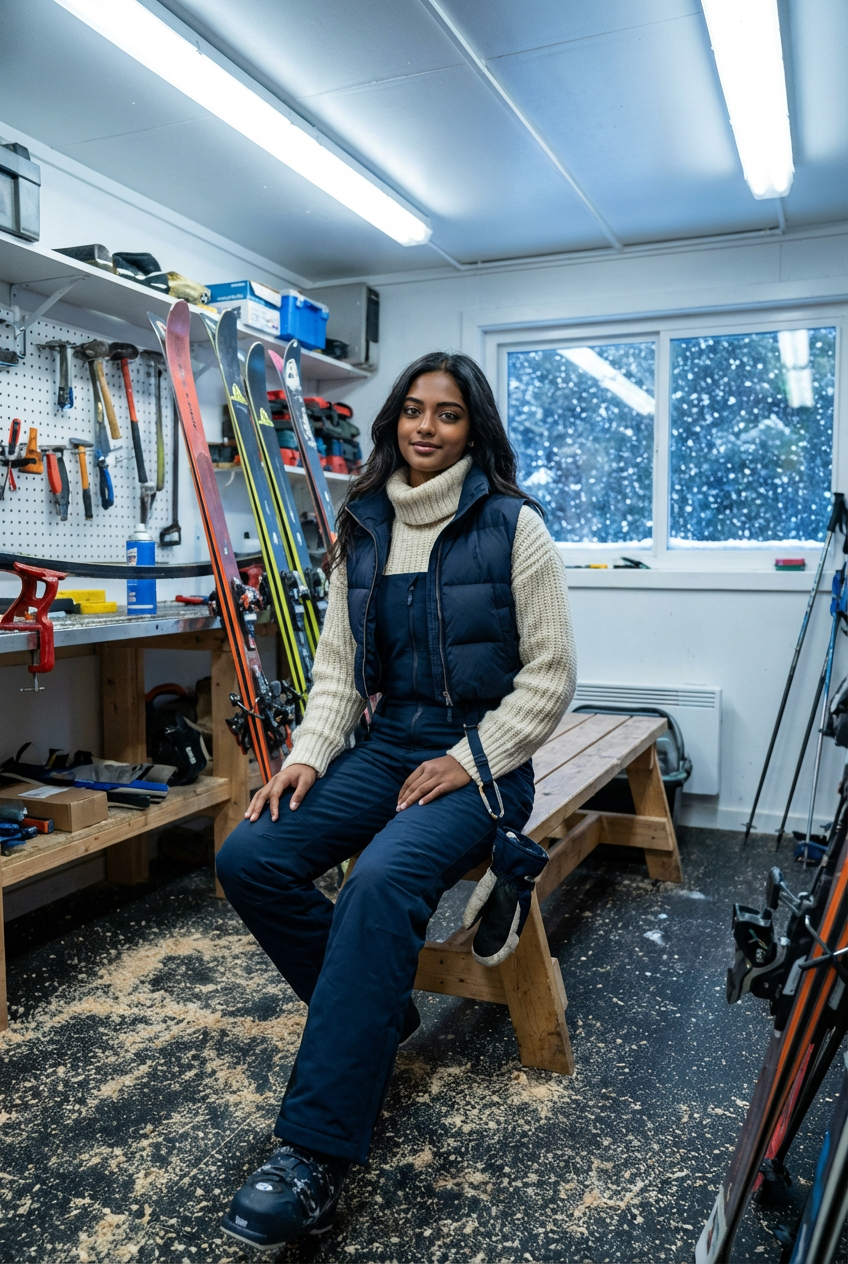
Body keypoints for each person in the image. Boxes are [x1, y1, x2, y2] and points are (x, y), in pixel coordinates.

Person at [215, 351, 577, 1250]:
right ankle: (380, 1017)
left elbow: (552, 677)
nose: (425, 427)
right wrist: (307, 755)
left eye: (447, 414)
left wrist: (470, 759)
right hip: (388, 743)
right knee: (252, 855)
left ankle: (313, 1153)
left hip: (486, 757)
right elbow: (339, 669)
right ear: (392, 424)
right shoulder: (365, 525)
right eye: (412, 411)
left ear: (473, 427)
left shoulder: (510, 525)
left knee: (379, 883)